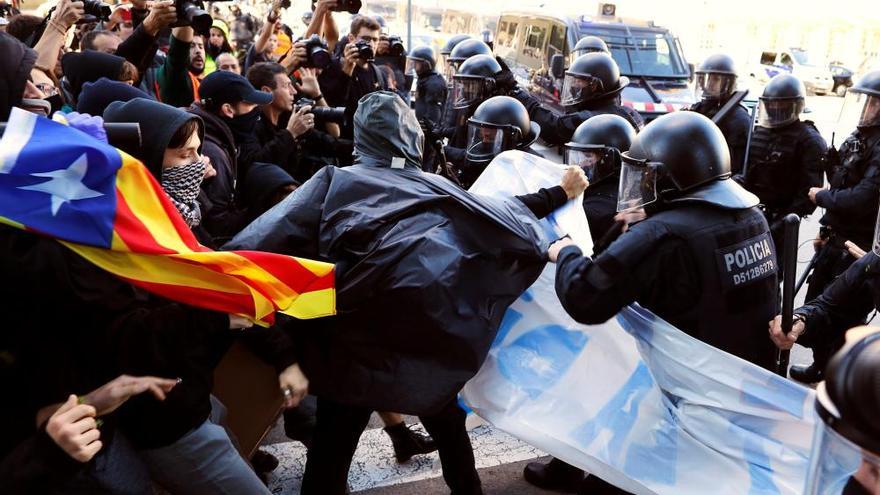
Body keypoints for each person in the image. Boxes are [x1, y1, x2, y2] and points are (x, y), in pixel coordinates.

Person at [226, 91, 587, 495]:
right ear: (412, 136)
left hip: (349, 355)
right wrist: (560, 193)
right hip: (424, 349)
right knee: (451, 435)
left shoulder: (334, 183)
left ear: (361, 136)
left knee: (331, 452)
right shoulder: (436, 188)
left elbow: (251, 251)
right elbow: (501, 215)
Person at [103, 97, 303, 493]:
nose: (202, 164)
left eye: (199, 150)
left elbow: (227, 289)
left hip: (195, 400)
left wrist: (285, 358)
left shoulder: (181, 221)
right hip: (164, 421)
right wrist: (215, 315)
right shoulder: (116, 243)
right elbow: (130, 337)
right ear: (141, 161)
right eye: (185, 155)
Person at [523, 112, 637, 491]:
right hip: (603, 308)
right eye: (578, 155)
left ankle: (573, 467)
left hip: (595, 308)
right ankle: (571, 464)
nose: (581, 165)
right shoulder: (621, 198)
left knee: (589, 393)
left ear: (611, 159)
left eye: (589, 158)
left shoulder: (599, 206)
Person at [790, 69, 880, 383]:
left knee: (846, 314)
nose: (865, 109)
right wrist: (825, 227)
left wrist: (822, 197)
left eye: (873, 104)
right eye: (864, 102)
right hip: (836, 238)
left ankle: (838, 378)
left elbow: (863, 198)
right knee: (817, 302)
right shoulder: (859, 138)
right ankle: (820, 365)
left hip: (859, 247)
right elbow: (844, 179)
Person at [735, 73, 826, 273]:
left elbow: (809, 193)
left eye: (781, 105)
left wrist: (781, 222)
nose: (775, 109)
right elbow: (747, 173)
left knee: (771, 276)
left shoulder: (808, 140)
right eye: (771, 104)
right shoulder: (759, 132)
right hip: (748, 215)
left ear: (795, 106)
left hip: (782, 223)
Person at [186, 70, 274, 243]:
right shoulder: (213, 153)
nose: (256, 109)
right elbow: (219, 225)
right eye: (250, 104)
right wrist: (265, 212)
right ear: (228, 109)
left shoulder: (211, 134)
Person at [509, 52, 644, 146]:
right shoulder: (631, 114)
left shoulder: (589, 119)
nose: (574, 85)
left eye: (579, 82)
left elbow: (555, 127)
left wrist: (515, 91)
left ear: (594, 86)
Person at [318, 15, 387, 141]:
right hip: (343, 143)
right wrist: (347, 70)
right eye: (365, 39)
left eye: (375, 39)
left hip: (368, 143)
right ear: (351, 38)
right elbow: (331, 106)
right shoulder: (334, 67)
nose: (371, 44)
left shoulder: (378, 73)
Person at [687, 53, 752, 174]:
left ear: (728, 83)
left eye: (716, 79)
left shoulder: (738, 118)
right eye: (707, 78)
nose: (709, 83)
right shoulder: (699, 109)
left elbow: (735, 164)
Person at [458, 95, 543, 187]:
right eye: (481, 136)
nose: (484, 141)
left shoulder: (532, 169)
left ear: (513, 137)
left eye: (490, 138)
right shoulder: (485, 153)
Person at [408, 45, 446, 171]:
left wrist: (427, 131)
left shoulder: (434, 83)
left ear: (426, 64)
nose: (413, 67)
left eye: (416, 63)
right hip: (422, 131)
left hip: (428, 135)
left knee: (426, 164)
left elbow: (433, 114)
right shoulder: (425, 79)